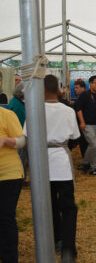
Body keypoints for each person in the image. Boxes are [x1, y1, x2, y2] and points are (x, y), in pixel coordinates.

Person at [25, 75, 80, 262]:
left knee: (49, 204)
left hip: (41, 162)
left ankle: (56, 239)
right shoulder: (67, 110)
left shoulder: (34, 110)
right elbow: (75, 135)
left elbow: (26, 137)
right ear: (57, 88)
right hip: (61, 161)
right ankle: (68, 247)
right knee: (68, 206)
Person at [0, 107, 25, 263]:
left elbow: (22, 141)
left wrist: (5, 140)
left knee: (4, 216)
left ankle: (9, 258)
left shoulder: (6, 114)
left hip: (9, 175)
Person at [75, 75, 96, 175]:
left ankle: (93, 168)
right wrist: (82, 122)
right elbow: (78, 109)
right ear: (90, 83)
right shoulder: (84, 95)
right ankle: (85, 163)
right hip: (87, 124)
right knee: (94, 144)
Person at [72, 79, 88, 158]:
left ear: (83, 88)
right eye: (75, 88)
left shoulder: (84, 98)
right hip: (82, 123)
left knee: (84, 142)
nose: (75, 90)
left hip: (84, 124)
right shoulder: (81, 98)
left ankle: (86, 161)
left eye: (77, 88)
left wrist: (82, 122)